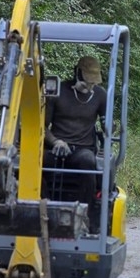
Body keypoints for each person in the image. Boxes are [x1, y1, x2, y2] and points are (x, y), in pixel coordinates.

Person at [43, 56, 107, 207]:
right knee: (35, 161)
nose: (89, 86)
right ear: (77, 74)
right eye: (87, 81)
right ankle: (43, 205)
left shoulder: (100, 95)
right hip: (56, 146)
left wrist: (109, 126)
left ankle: (84, 210)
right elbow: (42, 127)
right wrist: (55, 141)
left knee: (88, 162)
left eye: (93, 83)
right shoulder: (58, 92)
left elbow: (107, 123)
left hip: (83, 148)